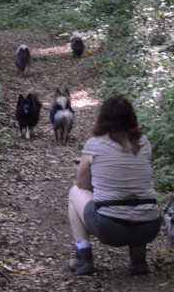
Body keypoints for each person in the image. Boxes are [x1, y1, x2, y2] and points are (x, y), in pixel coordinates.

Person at [68, 95, 161, 276]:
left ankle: (83, 258)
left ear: (103, 117)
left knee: (74, 192)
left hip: (111, 228)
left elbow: (82, 184)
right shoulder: (144, 143)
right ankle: (138, 258)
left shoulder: (94, 144)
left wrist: (103, 189)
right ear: (132, 117)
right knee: (135, 198)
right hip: (149, 225)